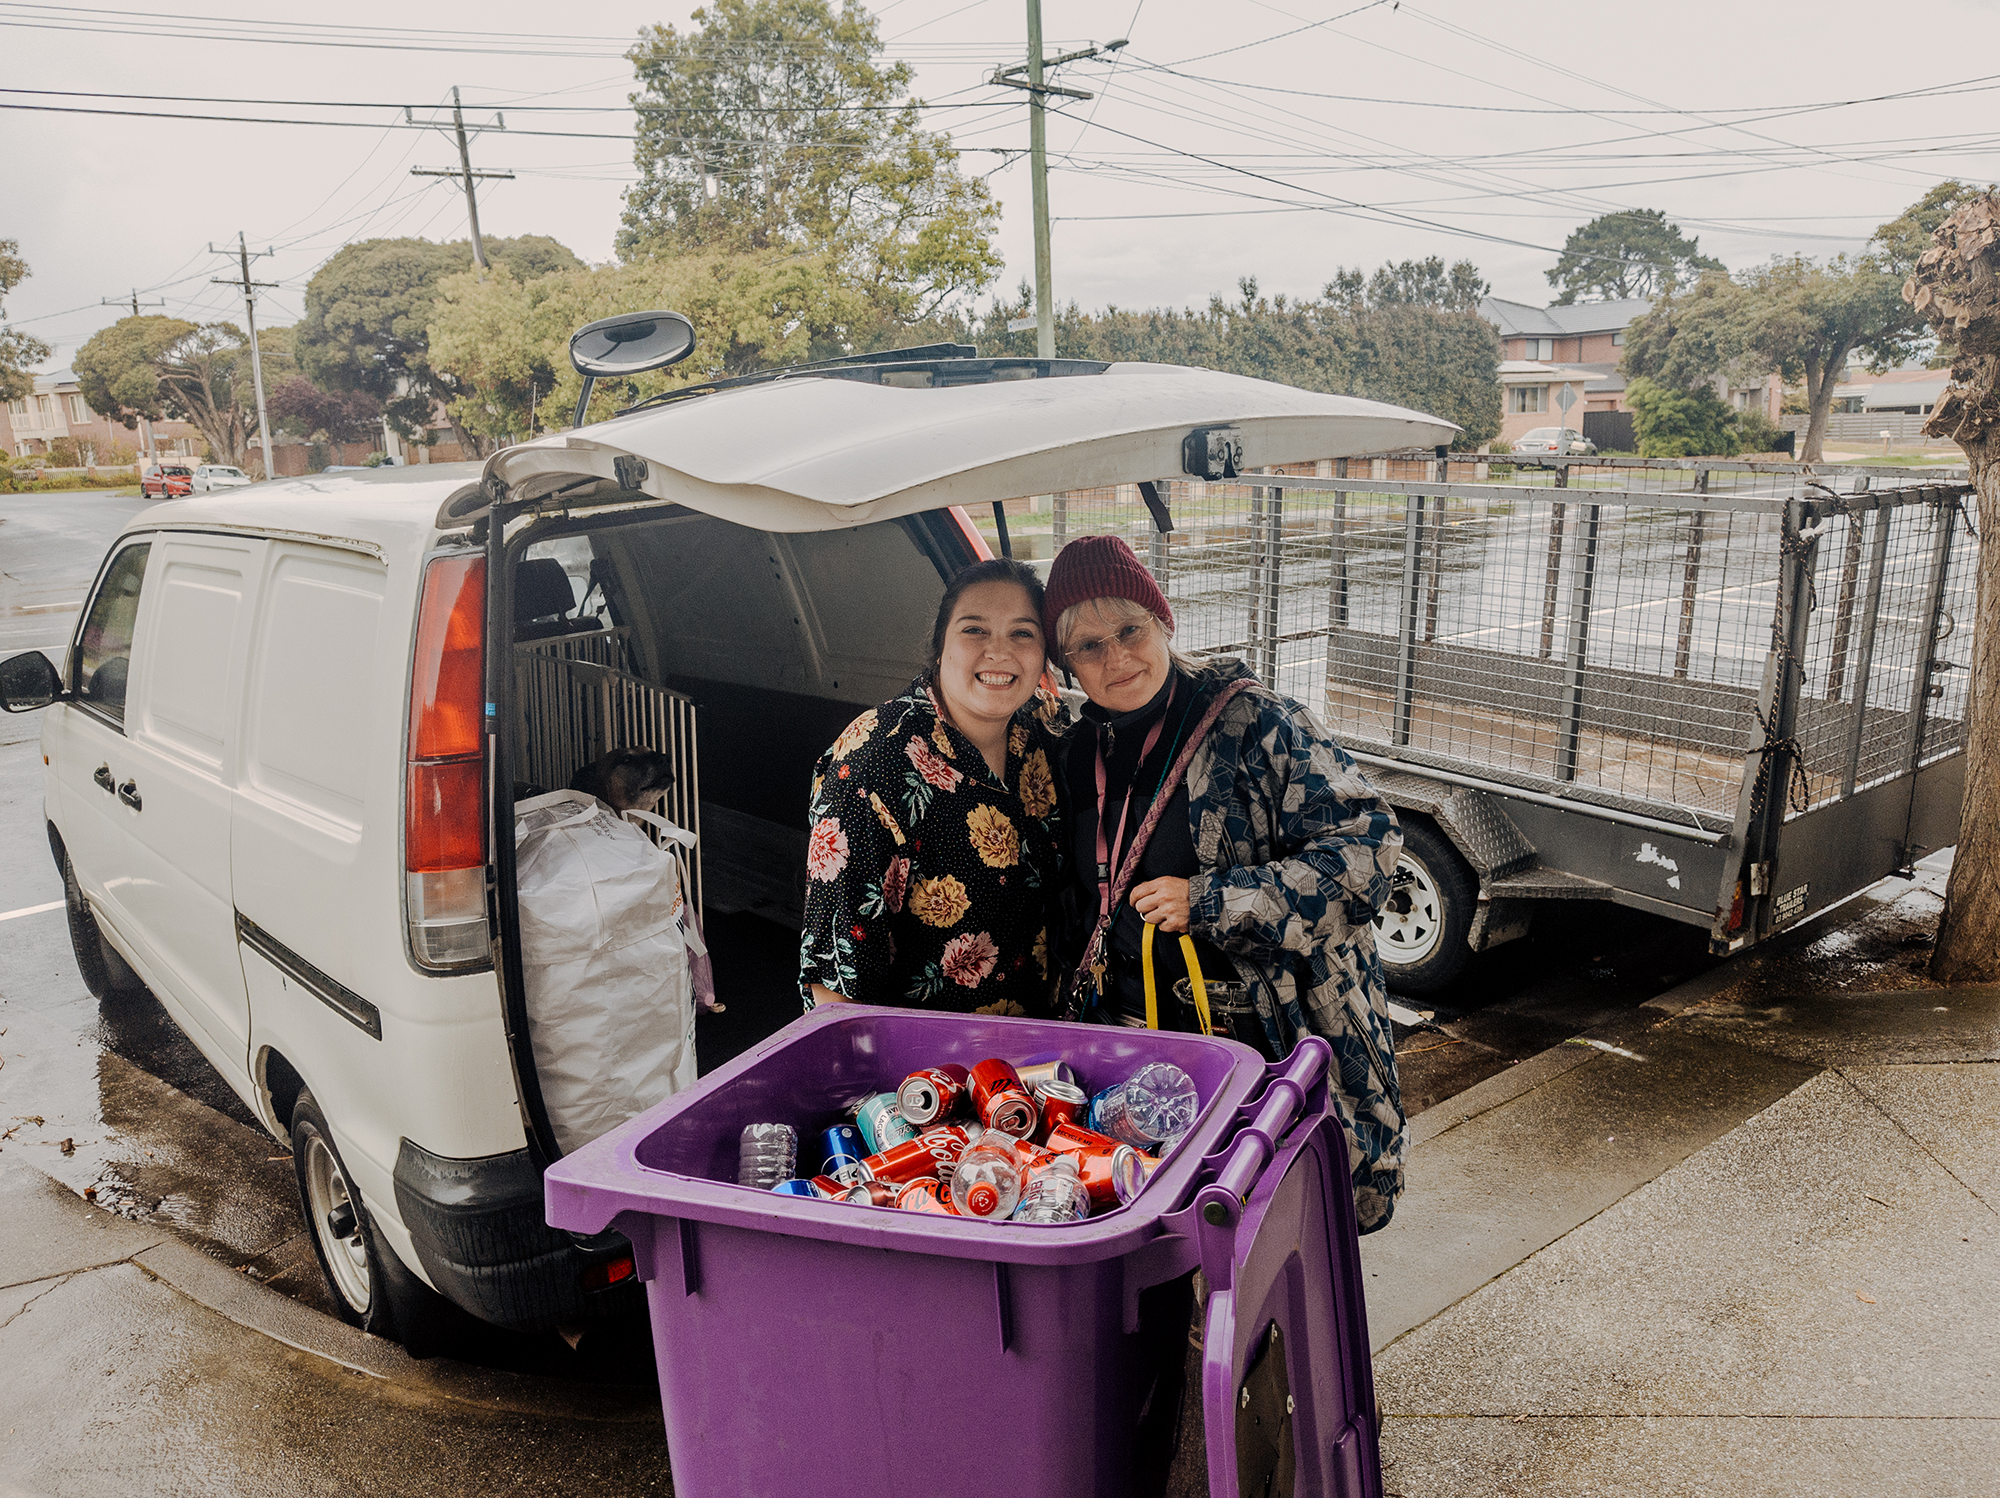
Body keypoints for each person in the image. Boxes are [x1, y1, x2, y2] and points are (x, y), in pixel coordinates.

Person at [1043, 535, 1408, 1231]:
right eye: (1088, 647)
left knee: (1278, 1252)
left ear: (1164, 621)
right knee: (1160, 1245)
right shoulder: (1073, 749)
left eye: (1130, 630)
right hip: (1133, 1066)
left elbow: (1370, 854)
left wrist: (1213, 900)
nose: (1117, 658)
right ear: (1065, 665)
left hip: (1263, 1059)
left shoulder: (1257, 724)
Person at [798, 558, 1066, 1015]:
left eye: (1022, 633)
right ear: (940, 645)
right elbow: (835, 984)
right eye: (974, 630)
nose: (998, 652)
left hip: (1043, 1054)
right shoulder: (872, 759)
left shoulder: (1044, 731)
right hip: (924, 1071)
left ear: (1045, 655)